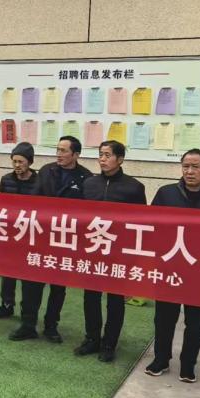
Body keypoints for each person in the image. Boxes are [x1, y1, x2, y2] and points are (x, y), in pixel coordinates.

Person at [145, 149, 200, 382]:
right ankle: (161, 359)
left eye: (195, 167)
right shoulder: (166, 193)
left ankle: (188, 364)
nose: (190, 171)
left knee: (195, 321)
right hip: (169, 266)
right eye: (186, 166)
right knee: (164, 318)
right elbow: (152, 225)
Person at [10, 135, 92, 343]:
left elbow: (86, 211)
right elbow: (35, 200)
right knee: (31, 283)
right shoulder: (47, 171)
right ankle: (28, 324)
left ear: (76, 154)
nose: (59, 154)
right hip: (41, 236)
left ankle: (51, 326)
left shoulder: (86, 177)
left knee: (58, 286)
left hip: (65, 240)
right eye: (57, 149)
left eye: (64, 151)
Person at [77, 140, 147, 362]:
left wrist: (134, 257)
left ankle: (109, 343)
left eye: (107, 155)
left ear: (120, 159)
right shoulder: (89, 183)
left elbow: (140, 224)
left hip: (119, 252)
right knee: (91, 296)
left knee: (115, 300)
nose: (102, 159)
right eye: (100, 154)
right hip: (93, 249)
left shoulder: (134, 187)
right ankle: (92, 338)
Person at [0, 142, 38, 320]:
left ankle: (27, 310)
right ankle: (6, 304)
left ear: (30, 162)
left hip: (30, 234)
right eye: (14, 161)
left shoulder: (39, 181)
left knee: (27, 275)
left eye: (21, 162)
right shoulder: (6, 180)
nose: (17, 165)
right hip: (10, 233)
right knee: (8, 271)